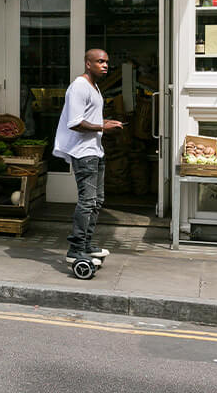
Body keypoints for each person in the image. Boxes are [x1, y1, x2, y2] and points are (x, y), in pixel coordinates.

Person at [53, 48, 124, 268]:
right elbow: (74, 122)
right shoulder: (79, 87)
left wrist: (105, 123)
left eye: (106, 62)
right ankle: (75, 250)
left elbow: (88, 118)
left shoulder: (94, 87)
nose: (105, 65)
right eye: (100, 62)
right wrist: (103, 125)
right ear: (87, 63)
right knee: (87, 201)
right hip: (83, 153)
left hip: (95, 150)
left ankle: (85, 244)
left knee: (96, 201)